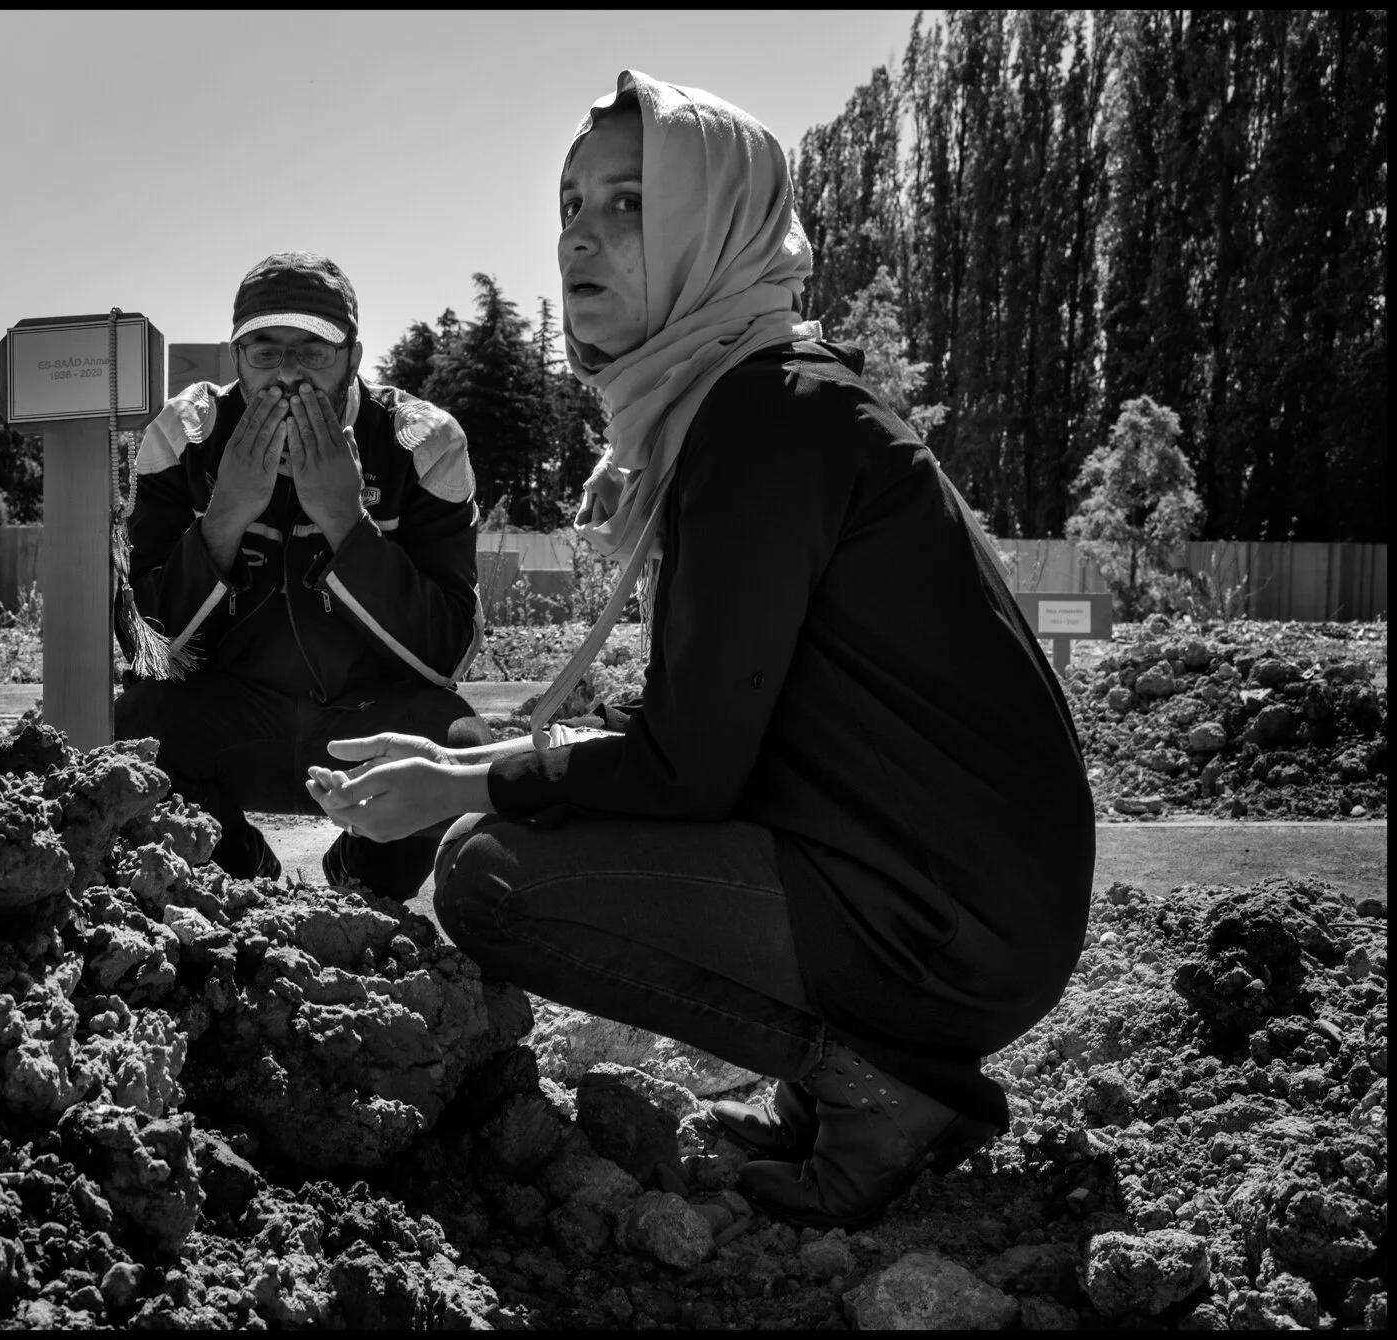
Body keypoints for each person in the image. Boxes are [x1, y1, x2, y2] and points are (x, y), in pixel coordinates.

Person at [306, 72, 1095, 1229]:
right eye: (570, 202)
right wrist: (461, 752)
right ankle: (834, 1074)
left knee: (490, 876)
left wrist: (463, 786)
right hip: (936, 892)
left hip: (942, 921)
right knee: (487, 783)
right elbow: (711, 727)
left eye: (628, 202)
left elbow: (688, 769)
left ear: (715, 223)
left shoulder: (763, 421)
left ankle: (879, 1083)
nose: (580, 230)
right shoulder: (742, 403)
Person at [116, 251, 491, 900]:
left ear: (354, 356)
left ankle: (360, 876)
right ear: (237, 358)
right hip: (233, 713)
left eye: (312, 351)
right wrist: (225, 516)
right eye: (265, 351)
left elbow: (449, 654)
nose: (287, 376)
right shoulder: (182, 437)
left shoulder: (422, 444)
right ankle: (236, 869)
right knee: (131, 731)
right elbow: (147, 652)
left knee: (456, 738)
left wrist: (347, 524)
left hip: (367, 716)